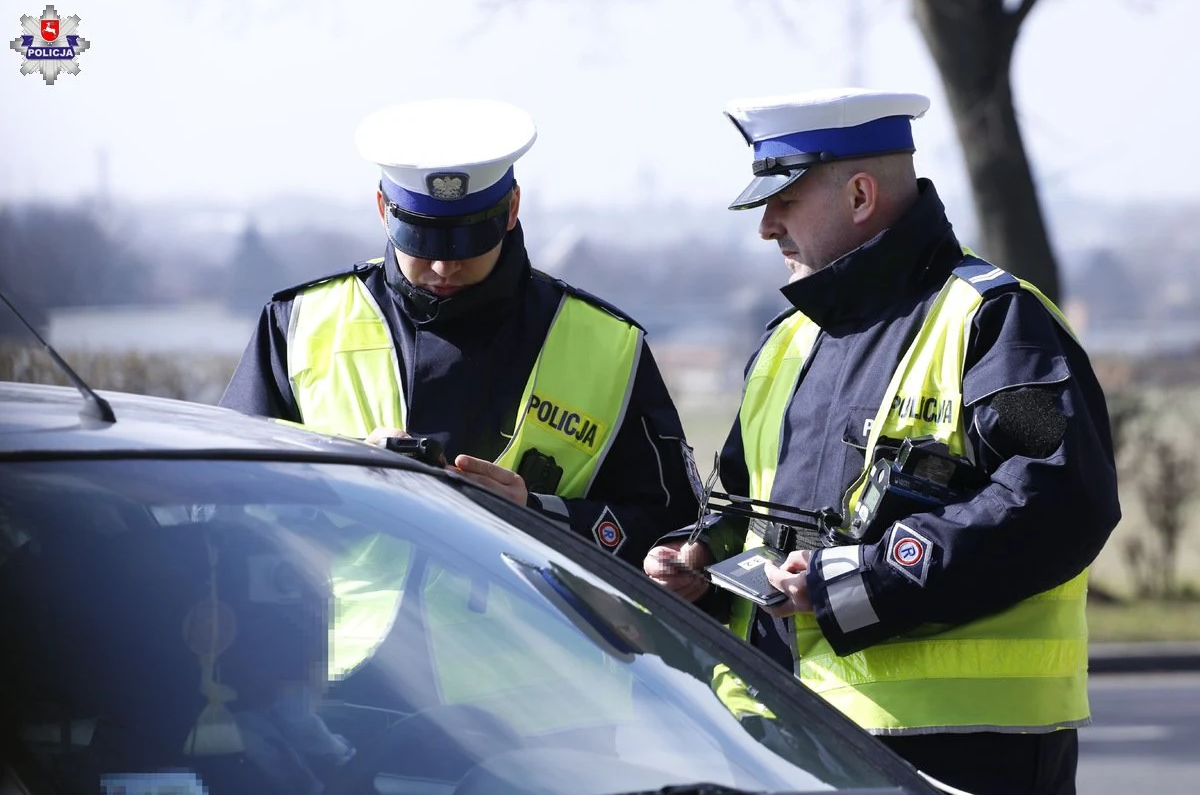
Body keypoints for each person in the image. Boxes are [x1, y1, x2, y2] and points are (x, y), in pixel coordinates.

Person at [643, 88, 1120, 795]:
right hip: (783, 739)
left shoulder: (995, 325)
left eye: (785, 200)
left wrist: (867, 579)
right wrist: (703, 560)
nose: (766, 227)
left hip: (962, 756)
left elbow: (1059, 500)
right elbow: (748, 510)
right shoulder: (787, 343)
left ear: (861, 195)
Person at [220, 98, 703, 566]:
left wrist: (539, 514)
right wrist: (344, 478)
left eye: (469, 238)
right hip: (334, 647)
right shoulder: (297, 324)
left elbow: (676, 532)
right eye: (420, 237)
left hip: (532, 649)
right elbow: (225, 493)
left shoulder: (610, 345)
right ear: (382, 209)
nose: (443, 263)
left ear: (512, 209)